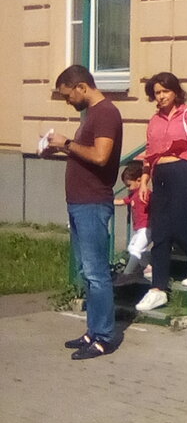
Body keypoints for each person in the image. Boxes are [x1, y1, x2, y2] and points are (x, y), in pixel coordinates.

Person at [44, 65, 123, 360]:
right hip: (80, 203)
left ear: (81, 87)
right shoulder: (93, 114)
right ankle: (93, 330)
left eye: (68, 95)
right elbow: (85, 153)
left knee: (96, 273)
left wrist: (67, 143)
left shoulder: (106, 113)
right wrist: (62, 149)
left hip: (92, 203)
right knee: (87, 273)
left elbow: (101, 156)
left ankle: (104, 337)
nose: (68, 101)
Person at [136, 71, 187, 312]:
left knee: (180, 224)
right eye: (157, 92)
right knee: (160, 230)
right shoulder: (154, 121)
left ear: (175, 92)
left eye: (165, 91)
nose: (161, 96)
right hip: (160, 174)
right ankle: (158, 288)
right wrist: (144, 181)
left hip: (182, 170)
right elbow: (149, 152)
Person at [113, 161, 152, 283]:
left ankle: (127, 274)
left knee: (136, 249)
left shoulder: (146, 194)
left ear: (139, 180)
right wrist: (108, 200)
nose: (128, 188)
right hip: (139, 229)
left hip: (147, 227)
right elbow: (122, 201)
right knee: (131, 248)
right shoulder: (133, 195)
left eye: (129, 185)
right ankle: (148, 268)